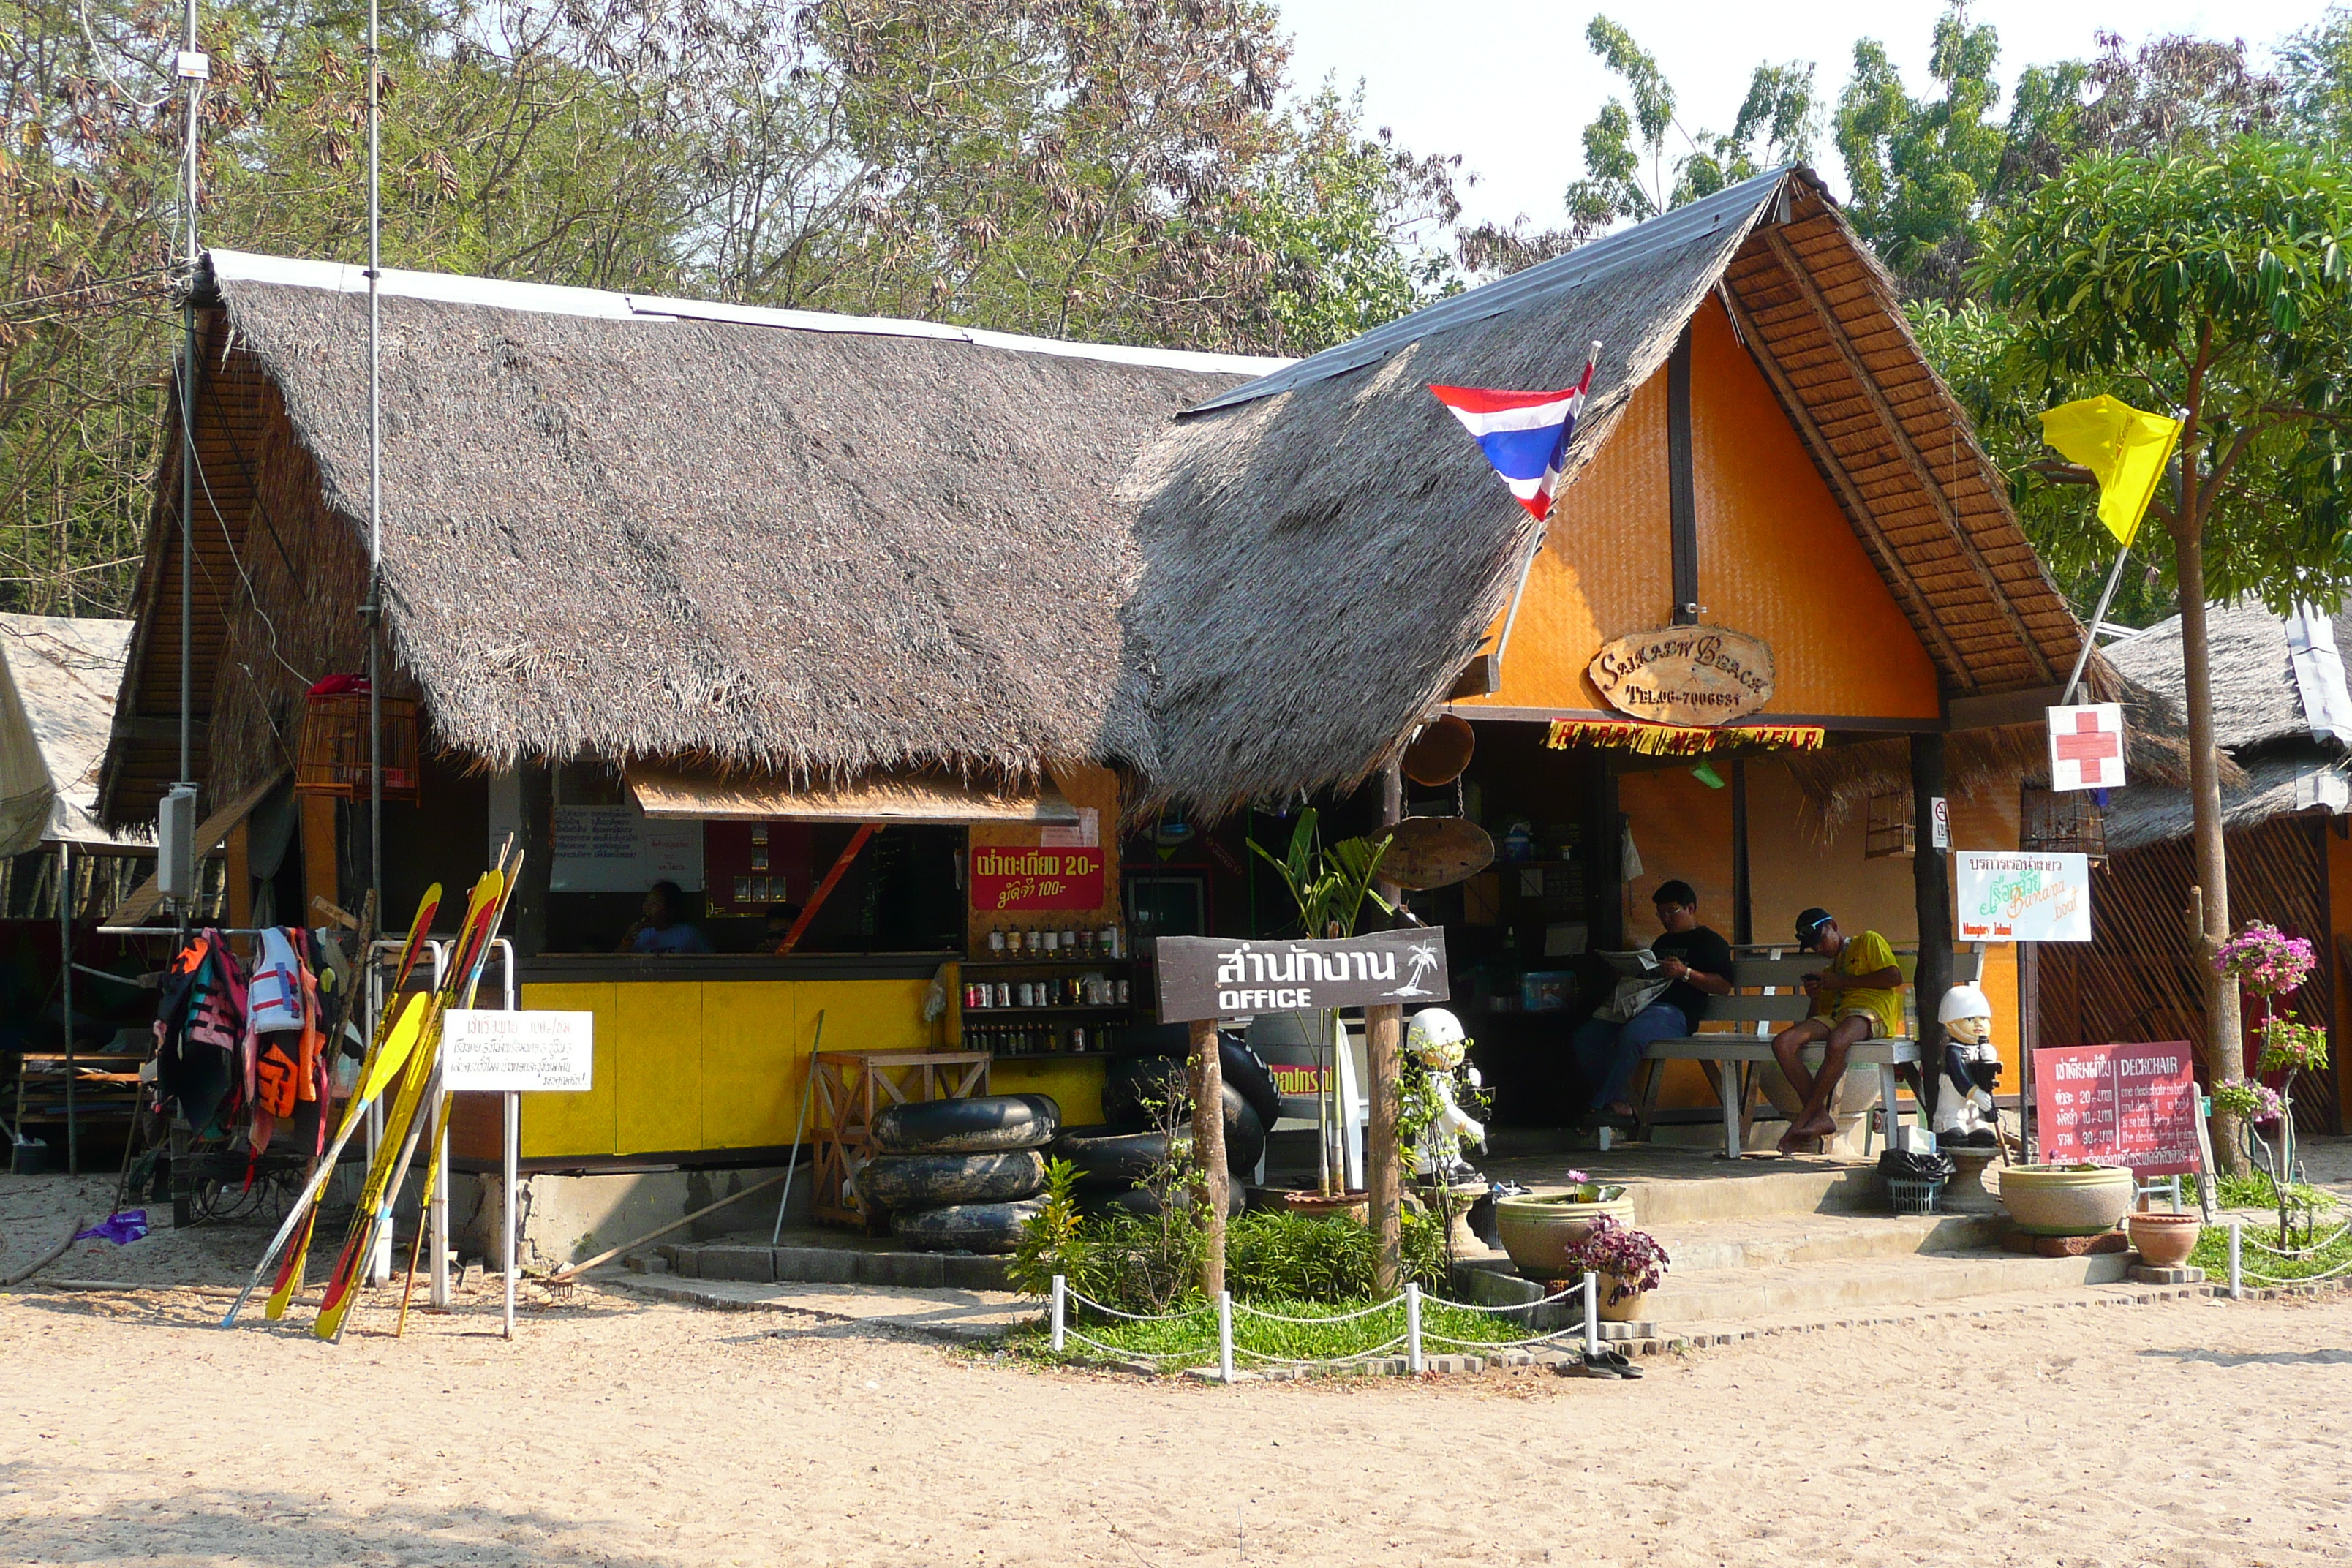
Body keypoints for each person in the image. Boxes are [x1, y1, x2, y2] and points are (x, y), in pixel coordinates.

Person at [1571, 881, 1733, 1121]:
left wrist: (1686, 973)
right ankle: (1618, 1102)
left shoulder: (1710, 942)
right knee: (1587, 1037)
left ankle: (1599, 1107)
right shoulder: (1662, 942)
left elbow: (1722, 986)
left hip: (1675, 1014)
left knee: (1633, 1036)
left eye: (1671, 911)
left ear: (1691, 909)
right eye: (1660, 913)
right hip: (1643, 1006)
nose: (1665, 918)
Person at [1771, 907, 1904, 1153]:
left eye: (1821, 940)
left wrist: (1842, 982)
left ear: (1833, 925)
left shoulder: (1868, 941)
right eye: (1814, 947)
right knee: (1783, 1043)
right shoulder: (1830, 973)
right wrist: (1815, 995)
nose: (1820, 949)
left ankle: (1803, 1119)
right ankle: (1820, 1115)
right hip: (1837, 1017)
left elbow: (1894, 977)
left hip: (1871, 1011)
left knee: (1838, 1040)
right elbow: (1816, 1018)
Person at [619, 880, 712, 955]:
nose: (647, 907)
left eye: (655, 903)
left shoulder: (689, 933)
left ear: (670, 910)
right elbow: (618, 962)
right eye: (647, 901)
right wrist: (628, 939)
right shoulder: (641, 935)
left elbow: (711, 962)